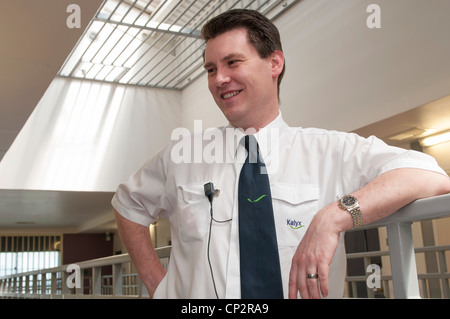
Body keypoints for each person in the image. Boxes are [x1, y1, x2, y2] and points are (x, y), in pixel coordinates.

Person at [112, 9, 450, 299]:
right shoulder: (182, 155)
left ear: (274, 62)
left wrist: (334, 216)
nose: (219, 79)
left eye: (232, 62)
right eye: (211, 69)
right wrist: (159, 287)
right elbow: (128, 205)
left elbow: (429, 174)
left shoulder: (328, 150)